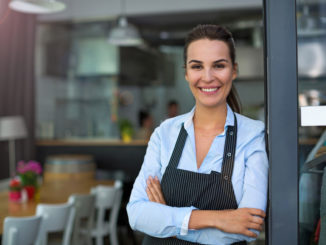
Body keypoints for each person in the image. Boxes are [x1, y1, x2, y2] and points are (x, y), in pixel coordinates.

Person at [127, 24, 268, 245]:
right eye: (197, 66)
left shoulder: (251, 135)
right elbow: (136, 213)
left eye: (219, 65)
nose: (208, 77)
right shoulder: (165, 133)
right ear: (186, 73)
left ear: (234, 70)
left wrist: (168, 222)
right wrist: (217, 218)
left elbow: (247, 227)